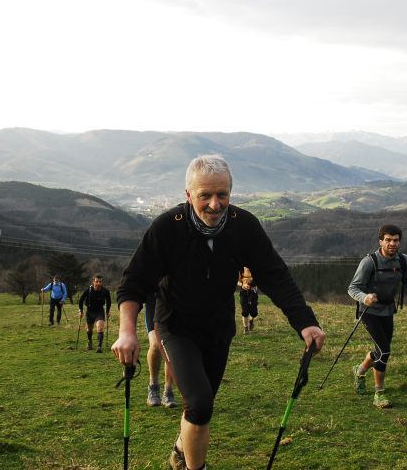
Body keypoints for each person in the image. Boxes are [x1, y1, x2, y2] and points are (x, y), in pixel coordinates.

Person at [112, 154, 326, 470]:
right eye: (205, 196)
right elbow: (133, 284)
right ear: (189, 195)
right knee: (199, 405)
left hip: (218, 329)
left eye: (222, 194)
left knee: (201, 406)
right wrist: (127, 332)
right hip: (176, 327)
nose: (215, 204)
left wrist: (305, 322)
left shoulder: (244, 226)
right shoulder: (168, 228)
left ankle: (180, 451)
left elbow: (274, 275)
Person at [347, 224, 407, 409]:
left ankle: (359, 370)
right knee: (385, 352)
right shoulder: (369, 262)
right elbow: (353, 288)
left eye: (395, 240)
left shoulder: (404, 261)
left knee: (380, 351)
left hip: (387, 311)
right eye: (388, 240)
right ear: (380, 241)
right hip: (369, 312)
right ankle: (379, 393)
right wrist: (365, 297)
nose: (392, 244)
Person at [144, 294, 178, 408]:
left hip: (174, 308)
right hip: (153, 306)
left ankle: (168, 391)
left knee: (171, 348)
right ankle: (153, 387)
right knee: (155, 345)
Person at [78, 274, 112, 352]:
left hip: (100, 311)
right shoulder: (88, 290)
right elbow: (80, 301)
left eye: (100, 282)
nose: (98, 283)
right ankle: (90, 342)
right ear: (93, 282)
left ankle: (99, 347)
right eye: (97, 281)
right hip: (89, 311)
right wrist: (80, 311)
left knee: (100, 327)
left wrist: (108, 311)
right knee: (89, 330)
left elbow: (109, 301)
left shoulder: (105, 291)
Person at [238, 267, 259, 334]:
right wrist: (242, 285)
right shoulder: (241, 269)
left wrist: (253, 284)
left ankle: (251, 320)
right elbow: (237, 281)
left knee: (254, 312)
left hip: (253, 292)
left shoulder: (255, 267)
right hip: (243, 292)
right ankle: (246, 328)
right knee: (245, 311)